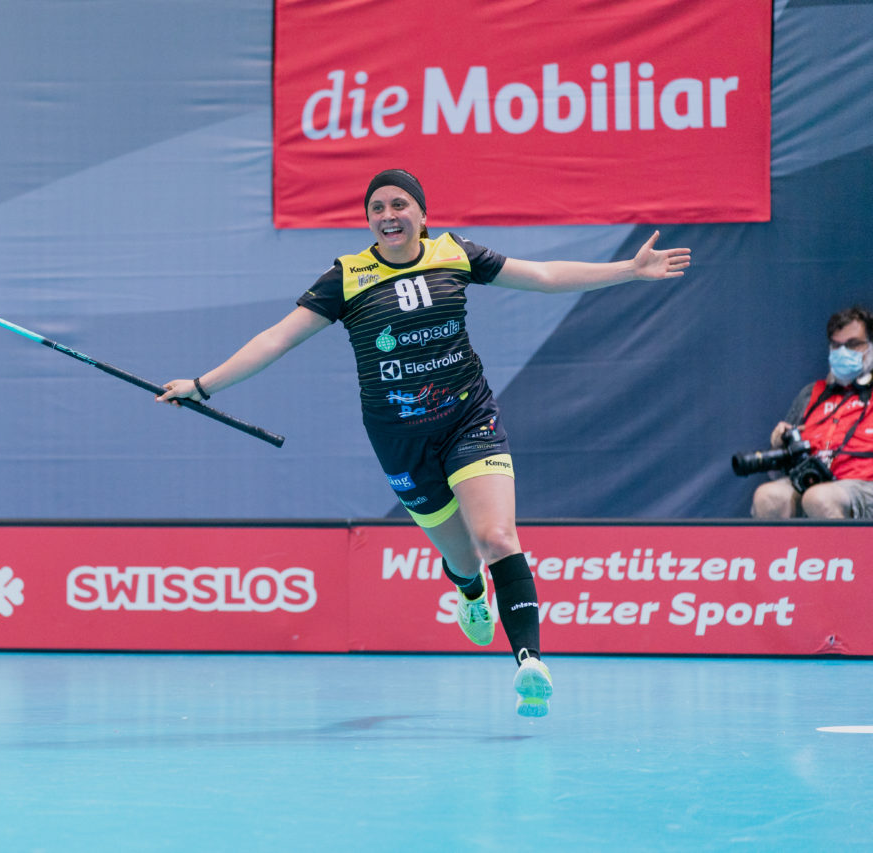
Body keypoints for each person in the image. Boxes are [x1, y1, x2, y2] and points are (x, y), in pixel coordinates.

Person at [157, 169, 690, 717]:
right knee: (461, 558)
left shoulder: (454, 253)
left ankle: (529, 661)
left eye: (399, 204)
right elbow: (276, 338)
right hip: (399, 439)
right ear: (368, 221)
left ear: (422, 214)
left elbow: (544, 274)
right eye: (377, 208)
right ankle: (470, 592)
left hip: (468, 420)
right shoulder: (347, 277)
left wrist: (629, 269)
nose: (388, 215)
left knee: (497, 535)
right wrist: (202, 386)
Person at [749, 305, 873, 520]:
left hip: (862, 486)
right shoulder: (812, 394)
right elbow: (778, 472)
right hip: (811, 482)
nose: (843, 352)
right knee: (767, 496)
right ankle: (782, 554)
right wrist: (779, 445)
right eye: (836, 345)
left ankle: (843, 554)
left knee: (819, 498)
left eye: (853, 345)